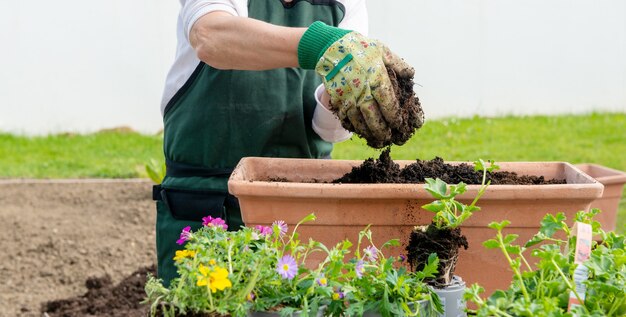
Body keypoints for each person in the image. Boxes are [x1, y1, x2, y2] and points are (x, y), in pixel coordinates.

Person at [154, 0, 415, 286]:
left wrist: (343, 92)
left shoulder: (346, 4)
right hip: (207, 204)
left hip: (298, 207)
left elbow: (328, 130)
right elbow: (211, 36)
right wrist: (319, 45)